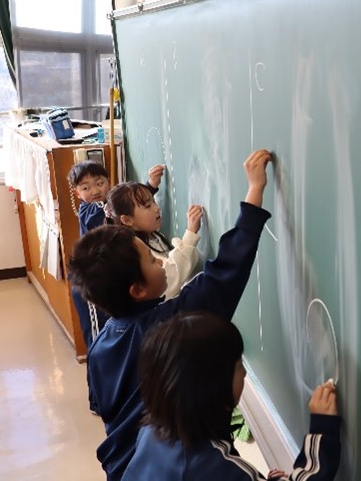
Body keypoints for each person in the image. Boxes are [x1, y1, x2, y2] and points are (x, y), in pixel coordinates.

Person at [67, 149, 273, 481]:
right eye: (152, 261)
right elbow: (226, 273)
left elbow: (103, 405)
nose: (161, 263)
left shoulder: (103, 341)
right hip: (167, 466)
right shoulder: (168, 326)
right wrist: (254, 191)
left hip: (128, 468)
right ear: (137, 290)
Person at [122, 312, 342, 481]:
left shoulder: (151, 430)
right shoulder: (215, 468)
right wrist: (322, 429)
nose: (245, 373)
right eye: (238, 366)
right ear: (212, 389)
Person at [67, 162, 167, 347]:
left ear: (108, 181)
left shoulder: (109, 206)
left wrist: (150, 187)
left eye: (100, 183)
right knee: (100, 336)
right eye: (86, 188)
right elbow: (120, 207)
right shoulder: (90, 210)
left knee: (117, 330)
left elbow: (125, 206)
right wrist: (148, 187)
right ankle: (98, 361)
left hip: (110, 281)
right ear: (77, 193)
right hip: (92, 283)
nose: (95, 191)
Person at [104, 180, 202, 299]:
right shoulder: (138, 252)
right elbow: (170, 280)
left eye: (153, 201)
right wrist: (191, 234)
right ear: (127, 220)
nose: (156, 208)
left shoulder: (154, 237)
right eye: (147, 206)